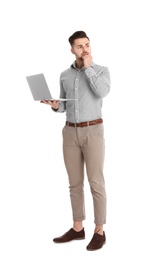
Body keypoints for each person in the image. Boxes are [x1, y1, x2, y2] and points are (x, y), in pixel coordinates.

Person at [40, 31, 111, 251]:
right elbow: (65, 105)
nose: (85, 49)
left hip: (93, 131)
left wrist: (88, 68)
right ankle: (78, 227)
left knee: (96, 182)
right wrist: (55, 105)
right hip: (70, 133)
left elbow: (103, 92)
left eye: (87, 44)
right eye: (79, 46)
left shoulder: (101, 71)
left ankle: (99, 230)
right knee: (74, 183)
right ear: (72, 50)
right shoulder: (64, 75)